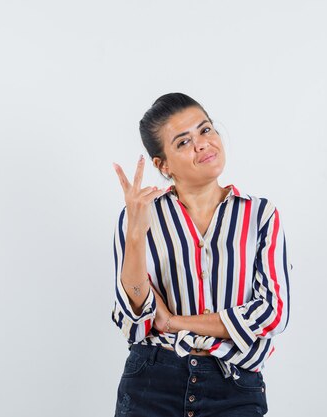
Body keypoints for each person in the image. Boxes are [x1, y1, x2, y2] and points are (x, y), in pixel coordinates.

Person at [111, 93, 292, 417]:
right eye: (183, 142)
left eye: (206, 130)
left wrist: (174, 321)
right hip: (152, 382)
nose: (202, 144)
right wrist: (136, 235)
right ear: (162, 164)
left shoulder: (260, 215)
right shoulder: (139, 215)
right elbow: (134, 322)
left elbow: (272, 314)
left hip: (234, 385)